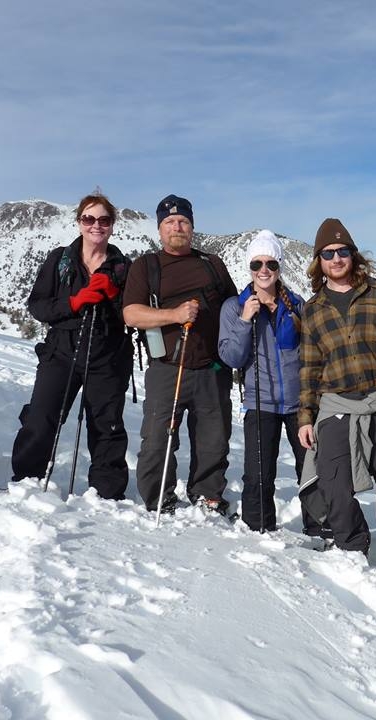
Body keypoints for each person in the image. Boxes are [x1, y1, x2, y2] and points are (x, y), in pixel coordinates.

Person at [297, 218, 376, 578]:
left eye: (342, 252)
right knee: (334, 483)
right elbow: (308, 368)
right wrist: (305, 418)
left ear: (353, 256)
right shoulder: (312, 309)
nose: (336, 259)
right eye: (328, 254)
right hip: (335, 404)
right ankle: (352, 543)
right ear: (319, 262)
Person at [11, 192, 132, 499]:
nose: (96, 226)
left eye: (103, 220)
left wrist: (114, 294)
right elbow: (38, 306)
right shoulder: (60, 260)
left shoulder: (122, 268)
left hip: (108, 353)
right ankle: (26, 480)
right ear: (79, 222)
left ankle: (107, 494)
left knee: (107, 426)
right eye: (89, 219)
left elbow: (130, 315)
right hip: (62, 350)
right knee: (41, 416)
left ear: (112, 225)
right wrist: (74, 302)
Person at [122, 194, 237, 515]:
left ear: (192, 226)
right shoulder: (146, 266)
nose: (177, 226)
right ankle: (159, 497)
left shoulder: (212, 264)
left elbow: (232, 307)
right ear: (159, 229)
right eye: (170, 222)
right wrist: (175, 315)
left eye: (183, 221)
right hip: (167, 367)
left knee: (214, 440)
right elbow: (131, 314)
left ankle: (207, 495)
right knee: (158, 438)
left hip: (212, 367)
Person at [219, 230, 328, 537]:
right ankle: (258, 529)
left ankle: (319, 527)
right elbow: (231, 357)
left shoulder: (296, 305)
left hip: (299, 403)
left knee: (311, 470)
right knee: (258, 474)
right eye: (257, 264)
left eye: (270, 263)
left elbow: (310, 352)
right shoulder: (234, 307)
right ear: (249, 267)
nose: (263, 270)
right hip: (260, 401)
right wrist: (244, 321)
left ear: (279, 266)